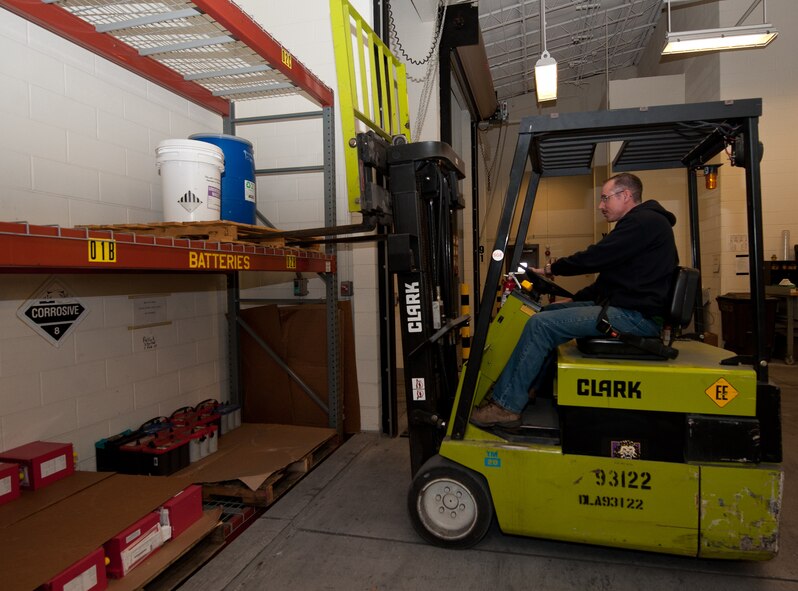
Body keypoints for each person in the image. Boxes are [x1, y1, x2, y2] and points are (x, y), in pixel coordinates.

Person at [470, 172, 678, 428]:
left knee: (541, 325)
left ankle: (506, 406)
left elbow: (595, 257)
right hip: (625, 309)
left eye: (605, 198)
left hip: (635, 318)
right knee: (544, 315)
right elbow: (606, 282)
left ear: (625, 196)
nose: (601, 205)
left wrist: (551, 269)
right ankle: (529, 387)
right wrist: (572, 301)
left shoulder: (642, 223)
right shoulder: (642, 225)